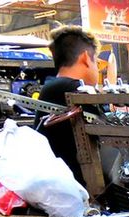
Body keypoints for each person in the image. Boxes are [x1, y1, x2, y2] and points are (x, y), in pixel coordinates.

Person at [37, 26, 99, 187]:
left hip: (55, 187)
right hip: (78, 189)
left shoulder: (50, 87)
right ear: (86, 58)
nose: (96, 68)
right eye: (96, 62)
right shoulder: (77, 90)